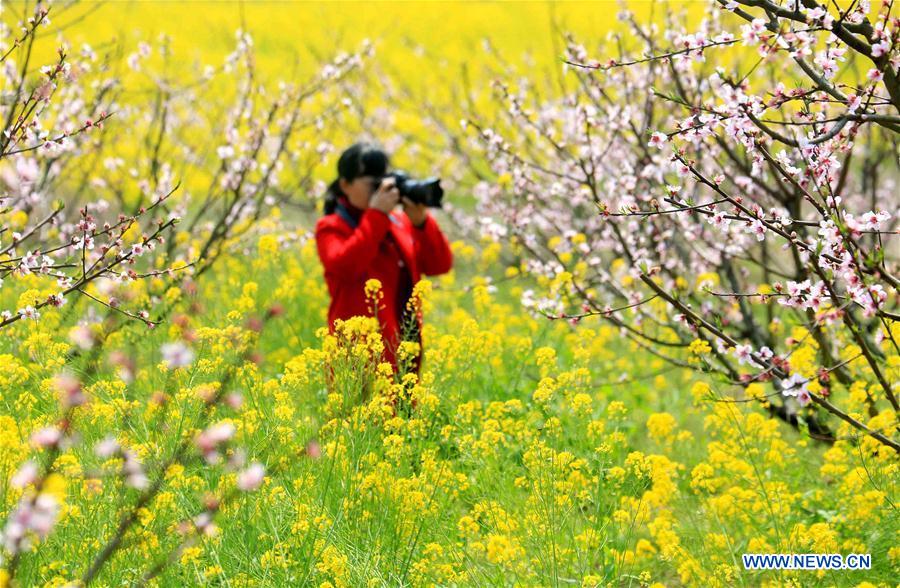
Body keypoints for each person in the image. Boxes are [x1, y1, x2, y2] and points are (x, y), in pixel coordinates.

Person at [315, 142, 453, 380]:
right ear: (345, 185)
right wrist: (376, 215)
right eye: (373, 184)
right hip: (357, 356)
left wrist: (421, 222)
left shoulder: (398, 223)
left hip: (404, 348)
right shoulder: (331, 228)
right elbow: (346, 266)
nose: (382, 190)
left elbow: (440, 264)